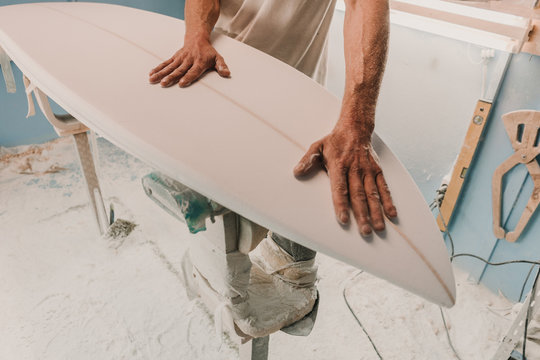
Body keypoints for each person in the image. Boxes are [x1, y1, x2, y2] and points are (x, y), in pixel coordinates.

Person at [149, 0, 397, 236]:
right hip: (217, 69)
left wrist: (357, 124)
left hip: (293, 91)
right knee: (212, 214)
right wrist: (196, 36)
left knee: (280, 219)